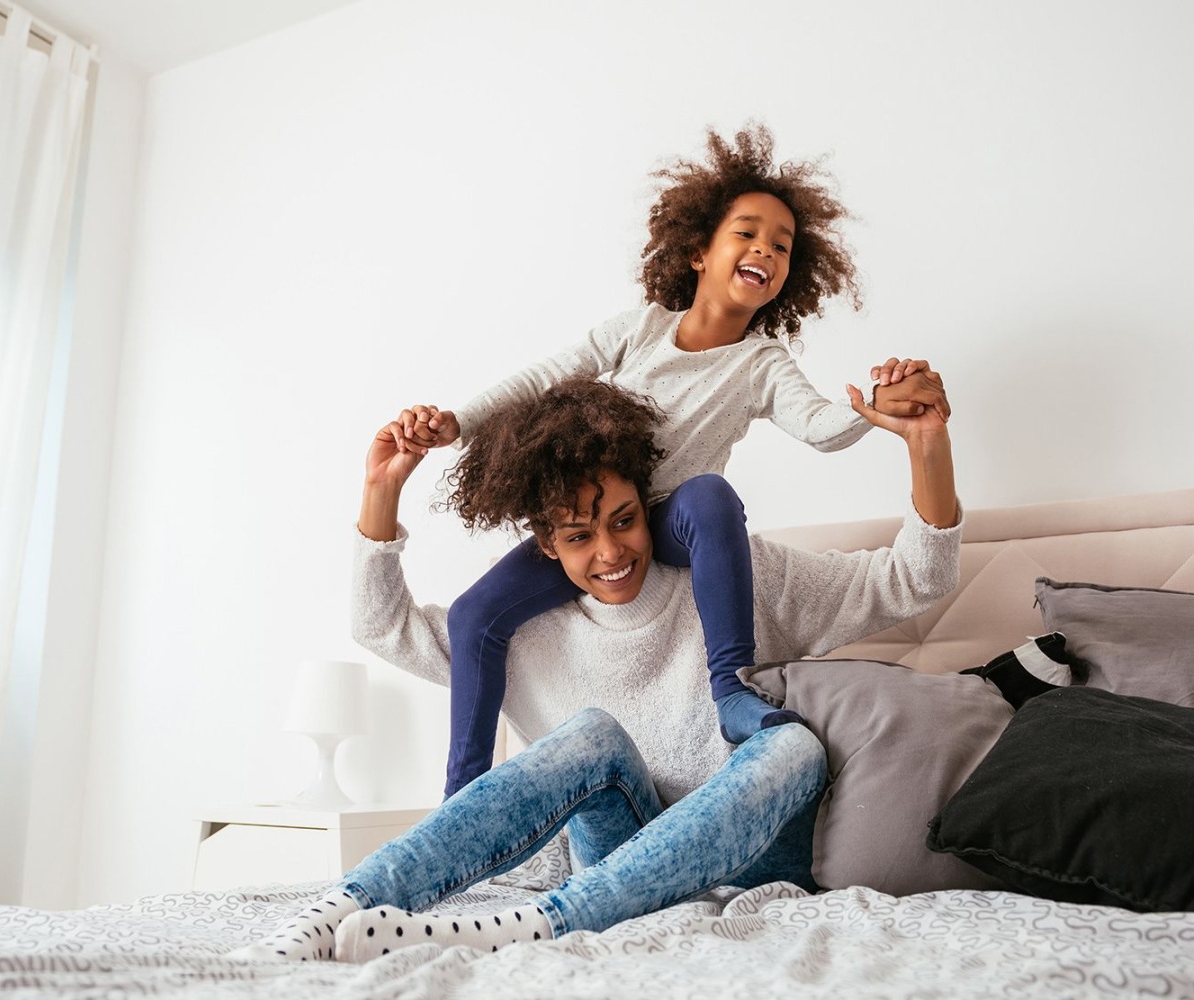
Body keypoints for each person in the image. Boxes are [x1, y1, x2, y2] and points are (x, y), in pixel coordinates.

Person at [236, 373, 959, 962]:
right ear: (546, 547)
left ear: (648, 507)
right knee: (591, 734)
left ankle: (542, 925)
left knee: (795, 744)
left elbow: (910, 582)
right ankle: (344, 906)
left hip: (760, 857)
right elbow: (382, 627)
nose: (610, 553)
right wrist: (380, 493)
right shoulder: (522, 635)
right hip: (620, 861)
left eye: (623, 520)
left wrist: (927, 445)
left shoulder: (736, 577)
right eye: (580, 537)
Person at [396, 124, 950, 798]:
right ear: (697, 250)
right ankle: (465, 794)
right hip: (603, 520)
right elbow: (545, 376)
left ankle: (731, 689)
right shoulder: (640, 330)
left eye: (781, 246)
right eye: (747, 234)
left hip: (668, 526)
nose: (765, 251)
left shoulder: (762, 363)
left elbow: (819, 427)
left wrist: (868, 409)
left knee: (709, 494)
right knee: (472, 616)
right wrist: (456, 423)